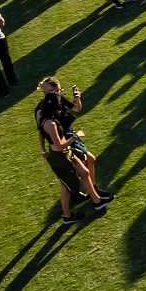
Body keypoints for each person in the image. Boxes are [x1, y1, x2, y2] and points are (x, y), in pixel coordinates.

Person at [35, 78, 111, 223]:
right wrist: (75, 136)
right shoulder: (49, 122)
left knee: (84, 172)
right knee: (66, 186)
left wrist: (77, 98)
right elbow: (58, 145)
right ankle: (67, 217)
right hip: (60, 153)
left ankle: (97, 200)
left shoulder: (51, 116)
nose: (60, 107)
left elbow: (75, 109)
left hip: (64, 149)